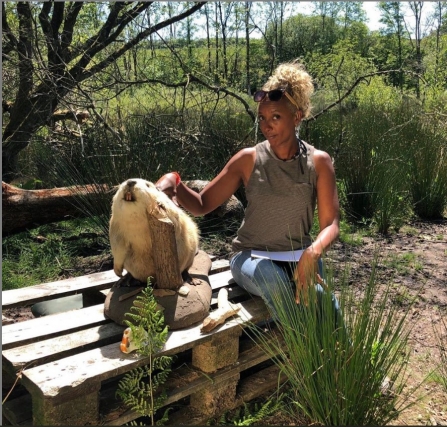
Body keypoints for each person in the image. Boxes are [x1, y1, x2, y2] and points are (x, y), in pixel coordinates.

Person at [156, 60, 340, 318]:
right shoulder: (248, 159)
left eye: (276, 117)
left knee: (325, 301)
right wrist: (174, 181)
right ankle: (300, 355)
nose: (267, 125)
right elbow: (201, 204)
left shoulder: (318, 161)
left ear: (296, 116)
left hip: (301, 257)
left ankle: (348, 355)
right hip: (251, 259)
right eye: (262, 118)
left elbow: (331, 223)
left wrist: (313, 252)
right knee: (275, 282)